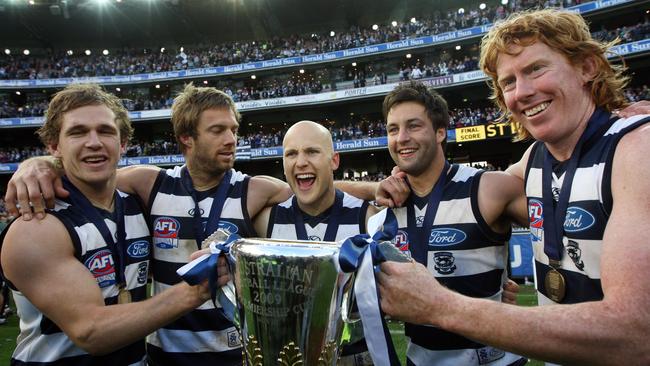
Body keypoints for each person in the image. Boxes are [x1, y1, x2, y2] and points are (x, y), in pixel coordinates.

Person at [3, 84, 379, 365]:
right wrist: (36, 166)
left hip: (233, 353)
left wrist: (377, 187)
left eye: (233, 129)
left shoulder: (253, 190)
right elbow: (84, 174)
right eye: (217, 131)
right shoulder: (148, 186)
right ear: (186, 138)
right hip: (164, 355)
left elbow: (311, 190)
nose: (231, 139)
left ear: (122, 142)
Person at [377, 9, 650, 364]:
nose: (523, 92)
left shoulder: (636, 150)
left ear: (586, 67)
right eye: (508, 82)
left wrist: (442, 306)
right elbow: (464, 187)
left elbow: (636, 333)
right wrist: (385, 183)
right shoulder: (534, 160)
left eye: (536, 69)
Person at [0, 84, 214, 365]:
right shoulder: (37, 226)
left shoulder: (137, 205)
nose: (94, 142)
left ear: (122, 143)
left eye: (105, 131)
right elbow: (91, 331)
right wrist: (195, 291)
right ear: (54, 146)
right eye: (77, 132)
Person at [374, 80, 529, 365]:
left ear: (440, 132)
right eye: (393, 129)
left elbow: (559, 220)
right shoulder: (385, 208)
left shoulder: (487, 188)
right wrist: (372, 188)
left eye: (414, 126)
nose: (402, 137)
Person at [253, 120, 375, 365]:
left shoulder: (367, 218)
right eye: (291, 154)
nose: (300, 162)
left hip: (354, 356)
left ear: (334, 161)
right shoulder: (266, 221)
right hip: (288, 357)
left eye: (312, 151)